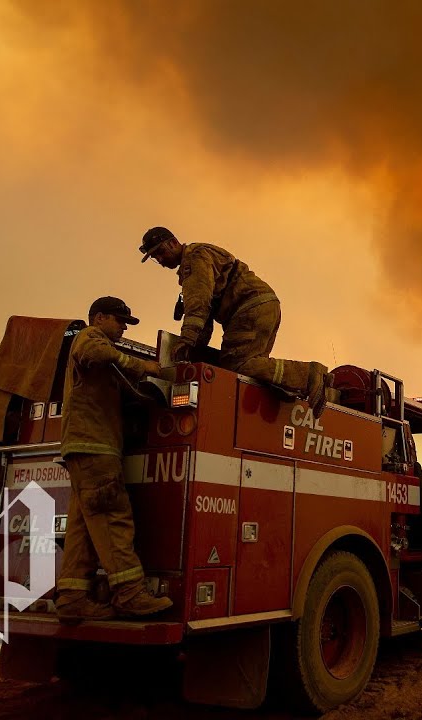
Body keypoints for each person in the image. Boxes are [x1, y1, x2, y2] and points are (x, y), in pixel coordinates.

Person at [55, 297, 173, 622]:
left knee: (82, 528)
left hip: (84, 447)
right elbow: (93, 352)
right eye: (119, 321)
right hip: (94, 446)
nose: (123, 328)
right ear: (99, 317)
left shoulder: (102, 357)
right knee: (112, 517)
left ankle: (72, 598)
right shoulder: (90, 337)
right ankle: (130, 594)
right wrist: (143, 366)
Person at [139, 226, 332, 416]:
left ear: (173, 243)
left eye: (160, 252)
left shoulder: (194, 260)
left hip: (248, 310)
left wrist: (186, 340)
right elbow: (206, 315)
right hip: (263, 306)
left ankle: (309, 375)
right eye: (155, 257)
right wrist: (196, 348)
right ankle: (294, 385)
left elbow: (199, 304)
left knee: (236, 364)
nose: (160, 260)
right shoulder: (201, 254)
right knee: (255, 366)